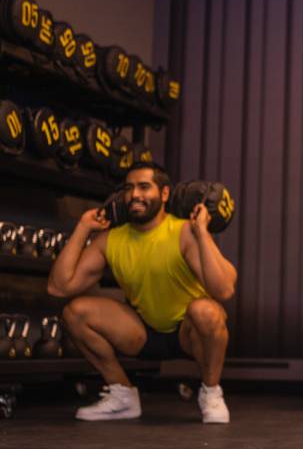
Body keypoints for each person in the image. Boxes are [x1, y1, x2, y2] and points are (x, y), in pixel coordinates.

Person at [47, 162, 238, 423]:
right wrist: (83, 227)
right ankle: (122, 394)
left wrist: (202, 233)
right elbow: (59, 287)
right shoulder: (111, 240)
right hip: (141, 333)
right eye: (129, 188)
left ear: (164, 194)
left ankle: (211, 392)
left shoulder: (183, 231)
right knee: (75, 312)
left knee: (207, 311)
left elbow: (225, 289)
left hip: (188, 333)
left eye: (144, 187)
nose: (135, 194)